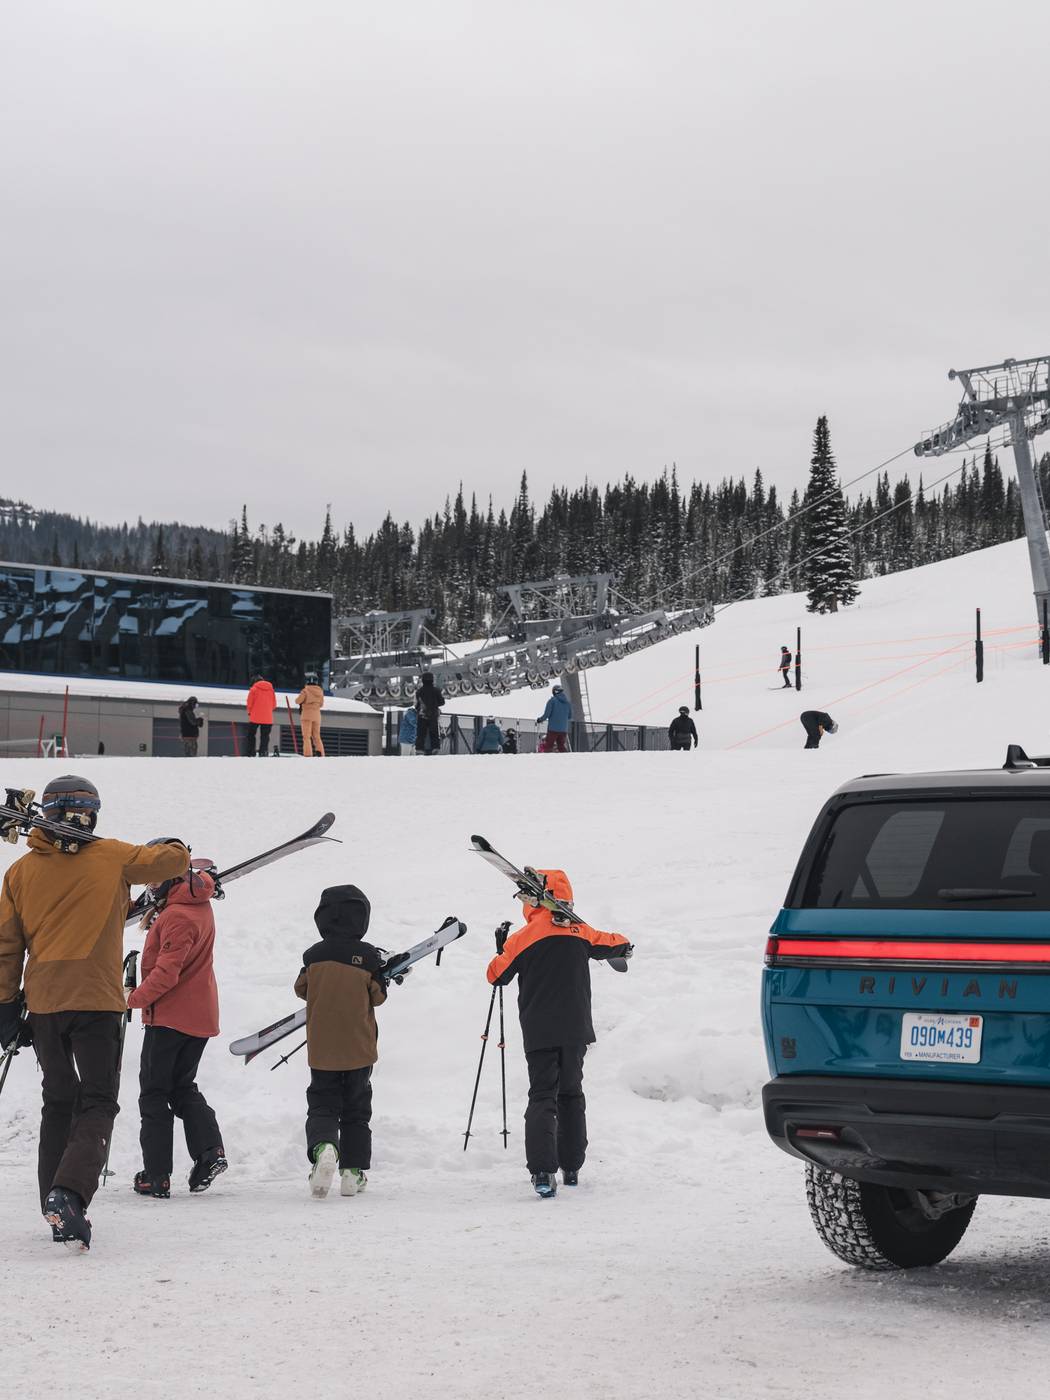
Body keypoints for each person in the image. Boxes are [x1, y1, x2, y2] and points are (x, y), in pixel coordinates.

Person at [0, 776, 188, 1252]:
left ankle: (53, 1203)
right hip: (98, 1002)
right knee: (99, 1100)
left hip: (44, 1003)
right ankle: (70, 1193)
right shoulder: (113, 857)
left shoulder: (19, 873)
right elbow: (173, 860)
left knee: (58, 1101)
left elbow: (5, 947)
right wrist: (169, 843)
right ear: (92, 815)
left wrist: (4, 1006)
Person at [486, 868, 633, 1198]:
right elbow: (616, 943)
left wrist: (500, 948)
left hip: (539, 1031)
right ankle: (572, 1167)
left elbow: (496, 976)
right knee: (571, 1094)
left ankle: (542, 1172)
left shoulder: (524, 938)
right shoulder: (581, 931)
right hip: (576, 1029)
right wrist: (624, 947)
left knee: (542, 1096)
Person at [127, 853, 226, 1199]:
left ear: (172, 880)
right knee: (181, 1087)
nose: (150, 890)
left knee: (154, 1093)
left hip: (171, 1018)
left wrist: (131, 998)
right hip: (197, 1016)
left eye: (155, 882)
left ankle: (156, 1175)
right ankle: (209, 1152)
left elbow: (167, 974)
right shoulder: (196, 905)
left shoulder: (178, 916)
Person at [294, 885, 388, 1200]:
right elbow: (378, 996)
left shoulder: (312, 956)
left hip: (322, 1049)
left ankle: (324, 1147)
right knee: (357, 1108)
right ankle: (352, 1172)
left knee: (322, 1103)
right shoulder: (369, 956)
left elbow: (301, 989)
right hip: (359, 1047)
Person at [296, 673, 326, 758]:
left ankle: (308, 754)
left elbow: (298, 701)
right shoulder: (320, 691)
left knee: (306, 736)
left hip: (307, 716)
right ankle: (320, 753)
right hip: (317, 716)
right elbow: (321, 704)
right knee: (316, 736)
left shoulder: (305, 691)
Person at [414, 673, 444, 756]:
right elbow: (442, 702)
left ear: (423, 680)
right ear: (432, 680)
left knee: (421, 734)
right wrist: (435, 704)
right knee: (434, 733)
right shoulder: (436, 690)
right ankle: (435, 749)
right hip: (433, 715)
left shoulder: (419, 691)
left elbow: (416, 705)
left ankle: (419, 750)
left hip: (422, 715)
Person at [245, 675, 276, 757]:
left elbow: (249, 703)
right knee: (265, 736)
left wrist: (249, 712)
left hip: (255, 717)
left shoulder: (253, 689)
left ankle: (251, 752)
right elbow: (274, 705)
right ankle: (263, 752)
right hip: (268, 718)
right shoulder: (271, 690)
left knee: (251, 735)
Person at [536, 684, 572, 753]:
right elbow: (570, 716)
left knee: (549, 746)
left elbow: (547, 714)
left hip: (553, 729)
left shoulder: (552, 701)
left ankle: (546, 761)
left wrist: (540, 719)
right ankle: (567, 760)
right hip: (563, 729)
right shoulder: (567, 703)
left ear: (555, 692)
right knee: (561, 746)